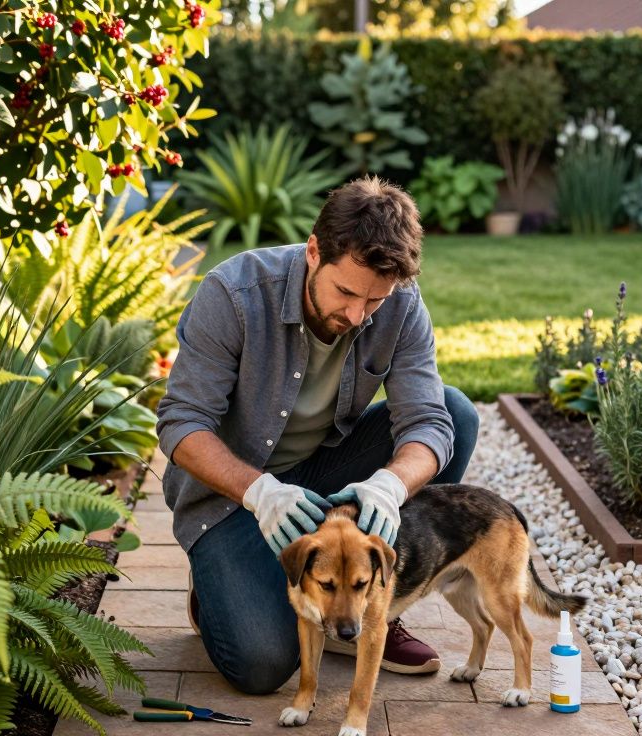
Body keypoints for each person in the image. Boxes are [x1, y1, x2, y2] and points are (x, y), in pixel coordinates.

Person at [154, 175, 480, 695]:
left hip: (323, 472)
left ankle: (369, 603)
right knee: (261, 667)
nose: (356, 316)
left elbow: (428, 423)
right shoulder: (233, 294)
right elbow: (181, 423)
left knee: (457, 415)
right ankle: (215, 591)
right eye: (346, 292)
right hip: (230, 495)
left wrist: (391, 487)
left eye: (373, 302)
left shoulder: (401, 304)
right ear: (313, 252)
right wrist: (258, 492)